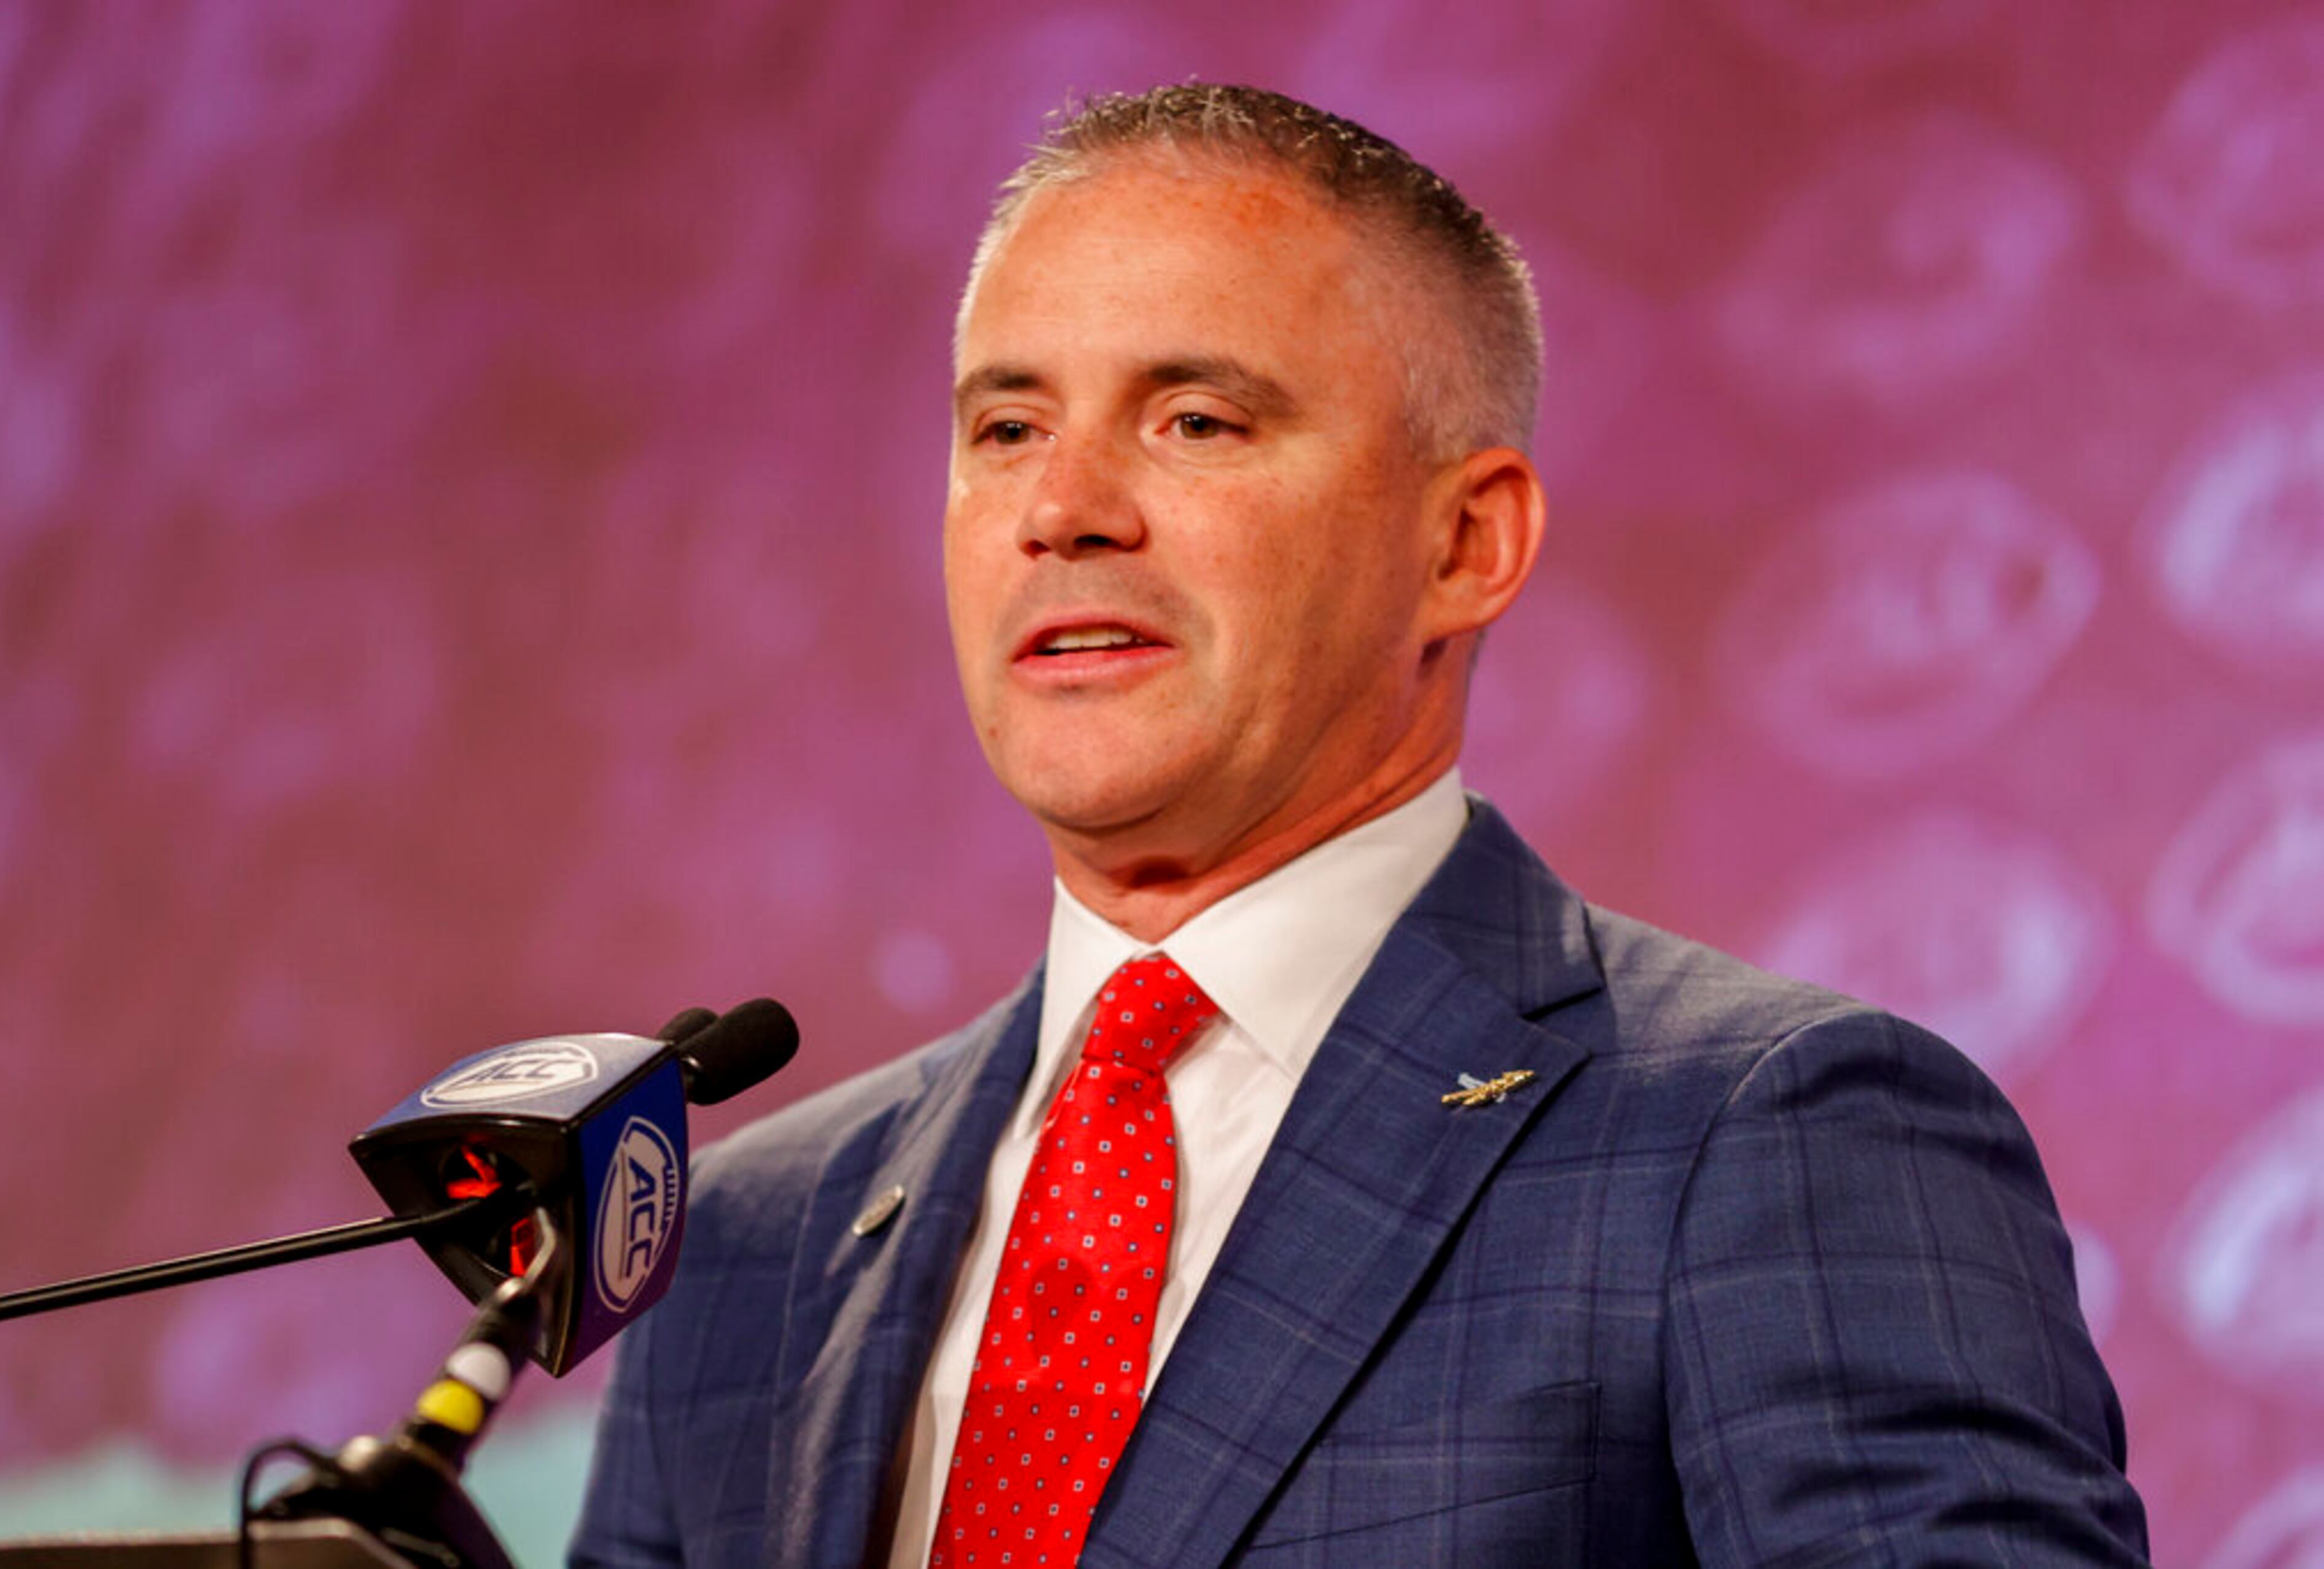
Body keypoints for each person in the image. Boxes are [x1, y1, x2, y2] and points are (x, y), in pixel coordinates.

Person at [571, 85, 2149, 1568]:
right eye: (1005, 430)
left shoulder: (1771, 1137)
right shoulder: (745, 1250)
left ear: (1466, 541)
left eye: (1196, 420)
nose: (1066, 506)